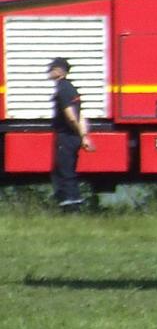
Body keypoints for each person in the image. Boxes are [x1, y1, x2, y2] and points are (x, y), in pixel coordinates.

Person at [46, 57, 93, 212]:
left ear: (59, 71)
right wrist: (84, 136)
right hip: (74, 137)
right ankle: (72, 204)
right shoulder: (71, 88)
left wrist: (80, 134)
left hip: (66, 136)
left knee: (64, 172)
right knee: (69, 171)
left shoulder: (62, 90)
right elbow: (81, 114)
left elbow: (72, 116)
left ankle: (71, 207)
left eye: (52, 69)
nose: (49, 72)